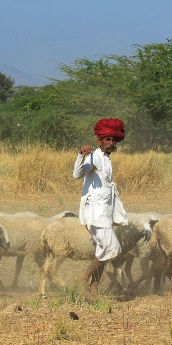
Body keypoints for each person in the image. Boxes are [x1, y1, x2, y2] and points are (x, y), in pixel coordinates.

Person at [73, 117, 128, 298]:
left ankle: (94, 290)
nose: (111, 143)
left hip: (105, 212)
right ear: (100, 141)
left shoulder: (106, 159)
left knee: (103, 251)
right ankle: (84, 278)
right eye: (107, 140)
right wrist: (82, 155)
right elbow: (77, 174)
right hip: (95, 212)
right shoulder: (94, 157)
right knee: (112, 249)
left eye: (113, 140)